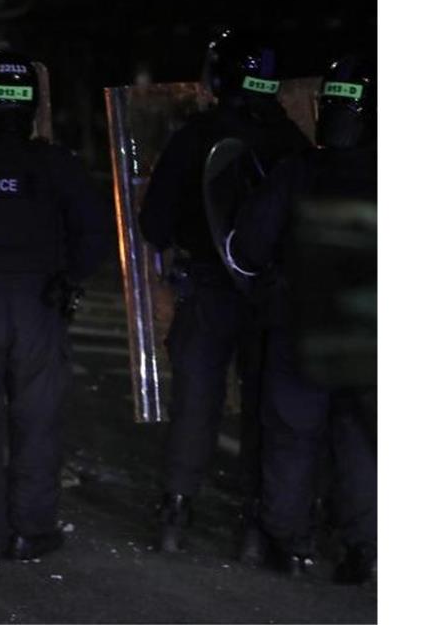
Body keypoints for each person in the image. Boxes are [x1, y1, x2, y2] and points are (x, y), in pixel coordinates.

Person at [0, 51, 112, 568]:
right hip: (38, 307)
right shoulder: (57, 165)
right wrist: (68, 278)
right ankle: (30, 531)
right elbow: (96, 237)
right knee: (37, 421)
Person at [138, 29, 311, 558]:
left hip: (208, 289)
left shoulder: (198, 135)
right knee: (268, 408)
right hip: (272, 299)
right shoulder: (294, 144)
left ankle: (177, 510)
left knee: (197, 402)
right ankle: (257, 525)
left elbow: (153, 223)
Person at [226, 55, 377, 581]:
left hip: (298, 324)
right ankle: (362, 549)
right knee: (361, 442)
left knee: (291, 437)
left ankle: (287, 545)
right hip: (368, 329)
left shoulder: (295, 172)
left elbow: (248, 245)